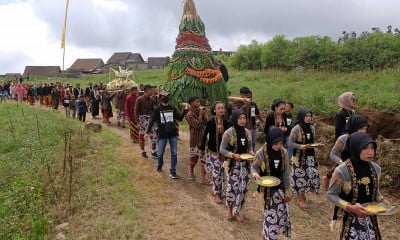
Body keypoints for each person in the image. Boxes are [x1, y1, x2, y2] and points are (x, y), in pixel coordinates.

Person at [327, 132, 391, 240]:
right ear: (356, 148)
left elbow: (375, 191)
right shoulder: (342, 171)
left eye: (372, 148)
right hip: (348, 219)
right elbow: (331, 194)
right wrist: (350, 207)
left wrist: (382, 199)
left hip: (370, 219)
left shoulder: (376, 169)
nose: (370, 152)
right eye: (365, 148)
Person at [326, 115, 369, 231]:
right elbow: (333, 154)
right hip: (344, 169)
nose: (363, 132)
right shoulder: (343, 139)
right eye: (361, 129)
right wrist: (342, 163)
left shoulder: (366, 140)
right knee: (344, 193)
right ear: (354, 127)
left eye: (365, 129)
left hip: (359, 171)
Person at [251, 126, 292, 240]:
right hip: (266, 190)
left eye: (281, 143)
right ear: (270, 141)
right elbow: (254, 167)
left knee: (279, 214)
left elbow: (286, 173)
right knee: (271, 214)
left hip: (280, 189)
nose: (279, 146)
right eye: (277, 143)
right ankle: (270, 236)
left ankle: (265, 235)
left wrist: (288, 191)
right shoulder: (261, 153)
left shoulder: (283, 152)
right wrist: (255, 174)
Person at [220, 109, 253, 222]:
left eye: (244, 118)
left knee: (243, 188)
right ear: (235, 119)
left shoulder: (248, 132)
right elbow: (222, 150)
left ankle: (237, 210)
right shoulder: (228, 133)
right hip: (233, 165)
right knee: (232, 187)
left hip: (245, 165)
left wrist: (251, 153)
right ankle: (229, 209)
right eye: (240, 118)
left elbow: (250, 148)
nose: (243, 120)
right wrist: (233, 155)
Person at [145, 90, 185, 179]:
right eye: (163, 97)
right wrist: (147, 132)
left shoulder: (173, 108)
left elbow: (180, 118)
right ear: (160, 98)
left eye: (166, 97)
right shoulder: (157, 110)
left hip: (173, 133)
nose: (165, 99)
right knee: (160, 153)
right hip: (162, 134)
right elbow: (151, 121)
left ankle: (173, 171)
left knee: (174, 153)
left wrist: (185, 111)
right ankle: (160, 165)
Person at [289, 108, 320, 209]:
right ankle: (300, 198)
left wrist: (316, 145)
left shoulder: (312, 128)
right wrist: (301, 146)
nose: (308, 118)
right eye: (306, 116)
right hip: (299, 157)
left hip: (310, 156)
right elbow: (290, 143)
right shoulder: (296, 129)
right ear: (301, 117)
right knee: (300, 177)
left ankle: (302, 195)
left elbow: (312, 141)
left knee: (309, 176)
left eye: (310, 116)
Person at [200, 101, 230, 203]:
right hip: (213, 152)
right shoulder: (211, 122)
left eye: (223, 108)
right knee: (216, 172)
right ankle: (216, 193)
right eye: (219, 108)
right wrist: (201, 150)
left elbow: (229, 138)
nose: (221, 110)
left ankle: (219, 191)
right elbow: (204, 136)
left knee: (222, 172)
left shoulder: (227, 123)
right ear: (214, 110)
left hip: (224, 152)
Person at [185, 96, 209, 183]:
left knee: (204, 159)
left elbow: (206, 123)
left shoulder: (200, 111)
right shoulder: (189, 115)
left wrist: (205, 115)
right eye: (197, 102)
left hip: (204, 140)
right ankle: (191, 171)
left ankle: (203, 178)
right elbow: (196, 125)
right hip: (195, 140)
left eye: (199, 102)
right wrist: (200, 116)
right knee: (194, 159)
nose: (199, 103)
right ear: (191, 103)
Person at [135, 84, 157, 158]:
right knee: (142, 136)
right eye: (151, 90)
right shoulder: (139, 99)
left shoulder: (152, 99)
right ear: (147, 90)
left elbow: (154, 110)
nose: (152, 91)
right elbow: (136, 111)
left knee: (154, 135)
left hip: (150, 120)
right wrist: (137, 122)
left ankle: (153, 152)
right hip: (142, 120)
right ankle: (142, 151)